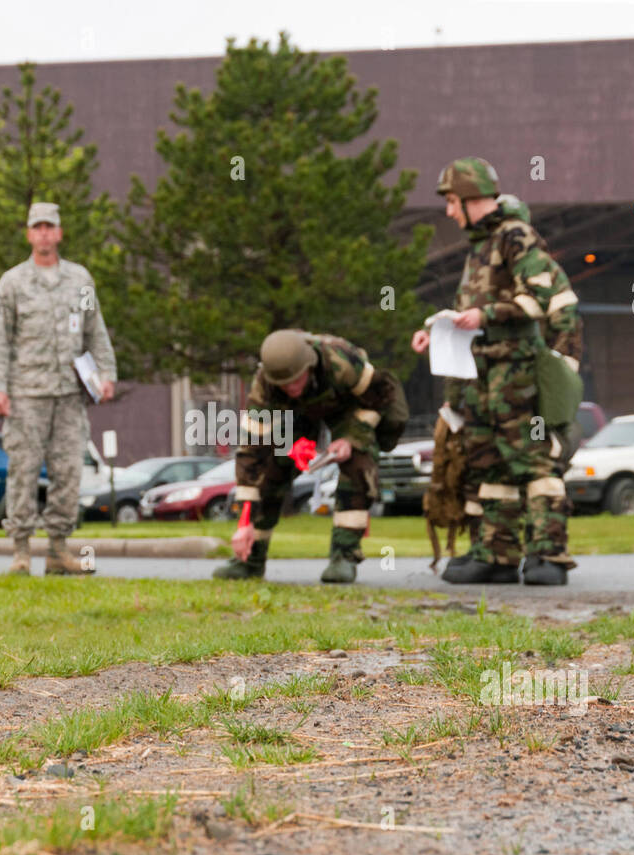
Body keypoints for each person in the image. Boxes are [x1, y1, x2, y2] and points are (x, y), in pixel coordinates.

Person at [416, 158, 580, 585]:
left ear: (473, 199)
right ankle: (497, 555)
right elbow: (474, 311)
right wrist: (436, 331)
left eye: (453, 202)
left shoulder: (515, 237)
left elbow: (542, 295)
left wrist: (484, 315)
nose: (449, 212)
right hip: (481, 373)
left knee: (531, 460)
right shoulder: (481, 246)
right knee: (489, 466)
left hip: (516, 374)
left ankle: (549, 556)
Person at [0, 201, 117, 576]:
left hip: (70, 396)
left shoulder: (80, 280)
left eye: (49, 227)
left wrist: (106, 373)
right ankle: (21, 552)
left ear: (59, 232)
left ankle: (58, 550)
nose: (43, 233)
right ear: (29, 233)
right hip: (26, 395)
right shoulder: (13, 283)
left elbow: (95, 331)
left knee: (68, 470)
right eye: (37, 227)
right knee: (23, 471)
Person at [214, 330, 408, 584]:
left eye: (296, 379)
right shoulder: (265, 385)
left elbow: (380, 397)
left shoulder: (342, 362)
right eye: (285, 384)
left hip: (351, 406)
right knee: (272, 463)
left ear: (310, 366)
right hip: (300, 414)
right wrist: (244, 520)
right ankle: (250, 559)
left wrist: (352, 438)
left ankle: (344, 556)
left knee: (359, 461)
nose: (292, 388)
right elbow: (252, 451)